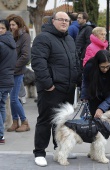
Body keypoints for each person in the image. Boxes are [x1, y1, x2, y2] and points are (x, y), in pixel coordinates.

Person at [31, 11, 80, 167]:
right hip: (51, 88)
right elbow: (38, 63)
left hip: (68, 87)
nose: (64, 22)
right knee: (46, 120)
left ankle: (60, 150)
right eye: (61, 20)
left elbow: (75, 62)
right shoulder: (43, 38)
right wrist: (48, 84)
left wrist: (77, 80)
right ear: (53, 21)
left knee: (63, 121)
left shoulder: (70, 39)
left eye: (67, 20)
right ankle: (39, 152)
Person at [81, 50, 110, 160]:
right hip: (96, 92)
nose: (105, 69)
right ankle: (95, 149)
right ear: (97, 64)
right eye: (102, 67)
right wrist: (84, 96)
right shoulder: (89, 66)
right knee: (95, 120)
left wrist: (102, 107)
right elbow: (85, 82)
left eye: (107, 66)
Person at [6, 15, 31, 132]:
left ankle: (25, 122)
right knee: (12, 98)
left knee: (14, 98)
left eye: (13, 25)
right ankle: (15, 122)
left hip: (17, 71)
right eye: (10, 25)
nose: (11, 27)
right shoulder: (11, 35)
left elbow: (25, 56)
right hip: (9, 72)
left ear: (19, 25)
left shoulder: (24, 36)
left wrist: (12, 67)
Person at [0, 19, 17, 144]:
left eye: (2, 28)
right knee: (1, 107)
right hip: (8, 79)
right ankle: (1, 134)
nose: (0, 30)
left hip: (1, 79)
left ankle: (0, 135)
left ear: (6, 29)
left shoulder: (1, 43)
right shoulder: (11, 42)